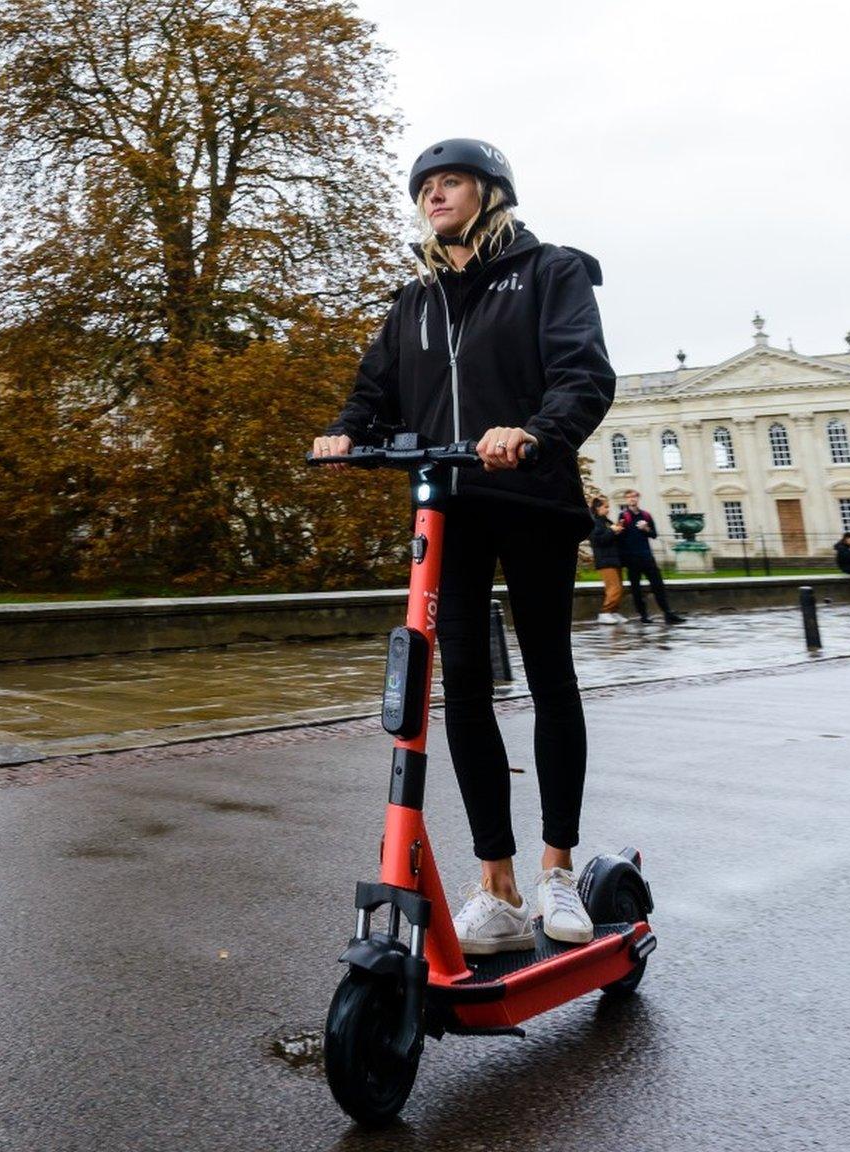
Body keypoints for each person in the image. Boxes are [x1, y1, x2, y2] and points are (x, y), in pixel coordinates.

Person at [312, 138, 616, 952]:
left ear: (490, 194)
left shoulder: (550, 271)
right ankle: (497, 884)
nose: (435, 195)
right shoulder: (414, 300)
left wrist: (536, 433)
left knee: (550, 678)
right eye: (427, 187)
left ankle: (557, 869)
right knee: (466, 690)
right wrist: (346, 435)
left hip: (531, 498)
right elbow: (372, 393)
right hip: (449, 508)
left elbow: (583, 375)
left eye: (452, 183)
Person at [616, 490, 685, 624]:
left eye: (634, 496)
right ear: (626, 500)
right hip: (632, 559)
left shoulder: (646, 515)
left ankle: (667, 613)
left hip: (647, 556)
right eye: (629, 497)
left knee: (658, 585)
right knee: (636, 588)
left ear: (638, 498)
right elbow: (620, 537)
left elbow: (654, 535)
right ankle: (643, 615)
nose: (632, 499)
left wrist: (646, 529)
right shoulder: (623, 516)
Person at [587, 496, 626, 624]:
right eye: (606, 507)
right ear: (598, 508)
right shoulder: (595, 522)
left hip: (614, 558)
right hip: (605, 560)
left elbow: (610, 537)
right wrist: (611, 531)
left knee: (619, 587)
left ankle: (614, 611)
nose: (608, 509)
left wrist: (617, 531)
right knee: (613, 588)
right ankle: (605, 612)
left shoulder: (606, 521)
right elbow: (598, 540)